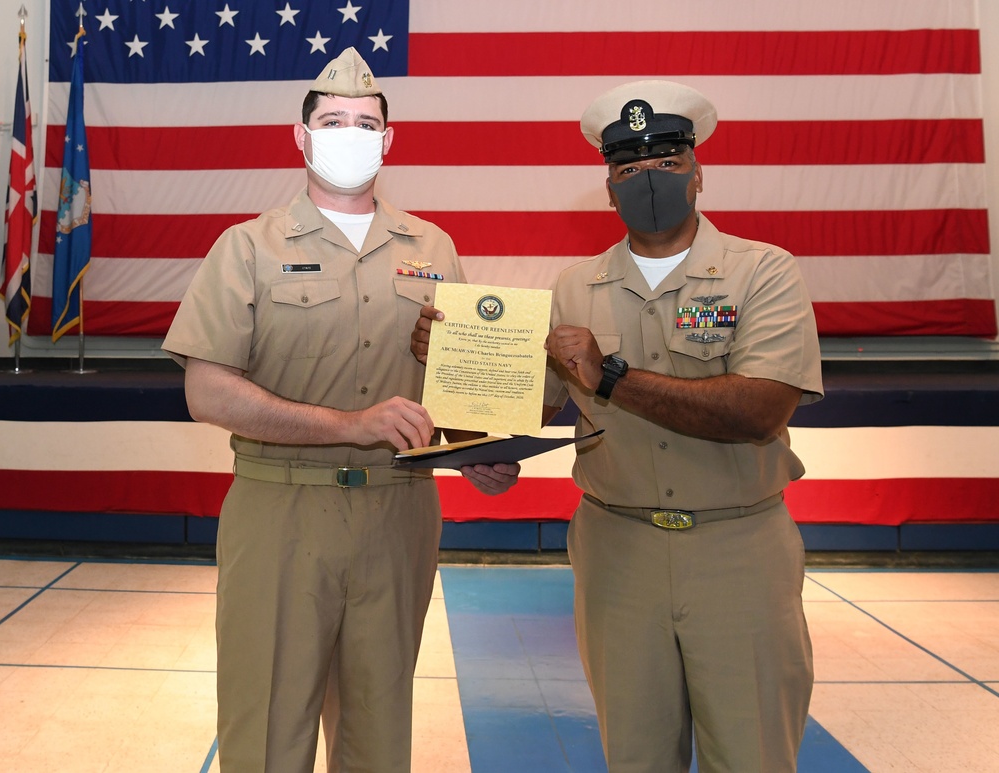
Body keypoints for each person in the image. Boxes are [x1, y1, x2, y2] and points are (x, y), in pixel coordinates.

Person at [414, 80, 823, 772]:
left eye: (665, 159)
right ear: (607, 188)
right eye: (628, 167)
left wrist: (611, 376)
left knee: (754, 753)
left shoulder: (764, 272)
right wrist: (448, 369)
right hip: (617, 551)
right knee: (633, 754)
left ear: (697, 172)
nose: (648, 178)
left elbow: (760, 409)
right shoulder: (573, 288)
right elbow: (525, 410)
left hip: (738, 550)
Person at [162, 47, 518, 773]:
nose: (349, 134)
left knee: (378, 731)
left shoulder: (433, 247)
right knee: (267, 729)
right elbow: (208, 390)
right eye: (332, 120)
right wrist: (348, 426)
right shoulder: (246, 250)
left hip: (398, 512)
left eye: (364, 122)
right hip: (280, 511)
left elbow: (454, 384)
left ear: (389, 140)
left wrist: (478, 447)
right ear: (301, 135)